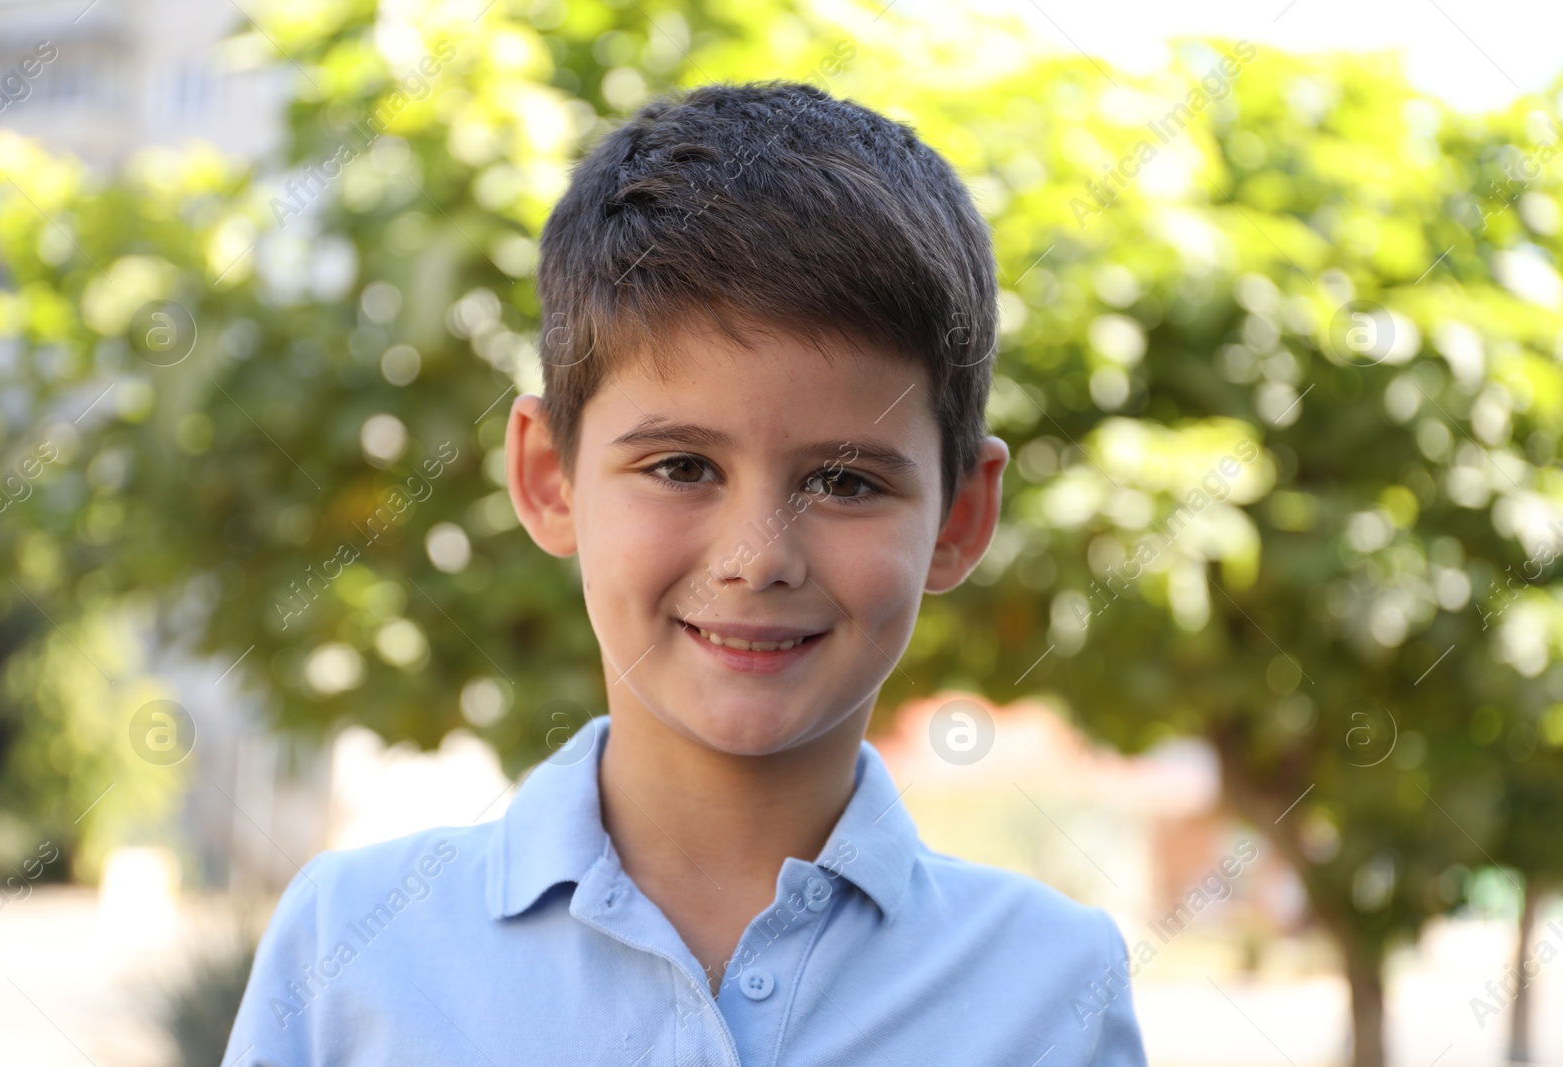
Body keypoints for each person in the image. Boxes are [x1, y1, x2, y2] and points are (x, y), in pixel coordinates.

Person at [223, 80, 1147, 1066]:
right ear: (548, 477)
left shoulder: (1049, 983)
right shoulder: (353, 948)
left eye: (843, 479)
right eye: (679, 467)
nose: (756, 558)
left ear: (961, 514)